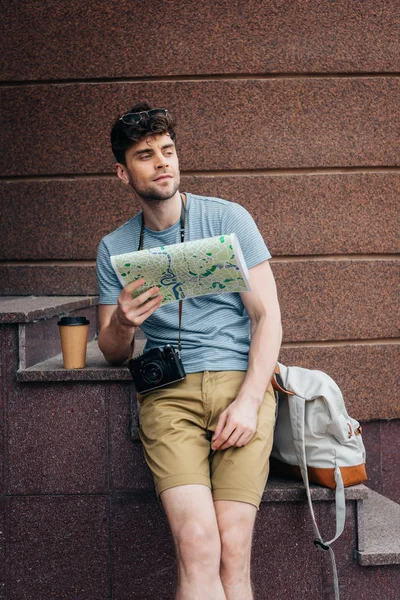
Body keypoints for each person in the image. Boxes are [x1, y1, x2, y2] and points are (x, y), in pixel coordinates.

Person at [96, 102, 282, 600]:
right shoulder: (114, 247)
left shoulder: (228, 217)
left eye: (169, 151)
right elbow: (112, 351)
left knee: (233, 547)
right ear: (123, 171)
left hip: (240, 387)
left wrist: (248, 401)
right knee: (198, 545)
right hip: (168, 395)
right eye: (145, 155)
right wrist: (123, 321)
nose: (162, 162)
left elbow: (268, 318)